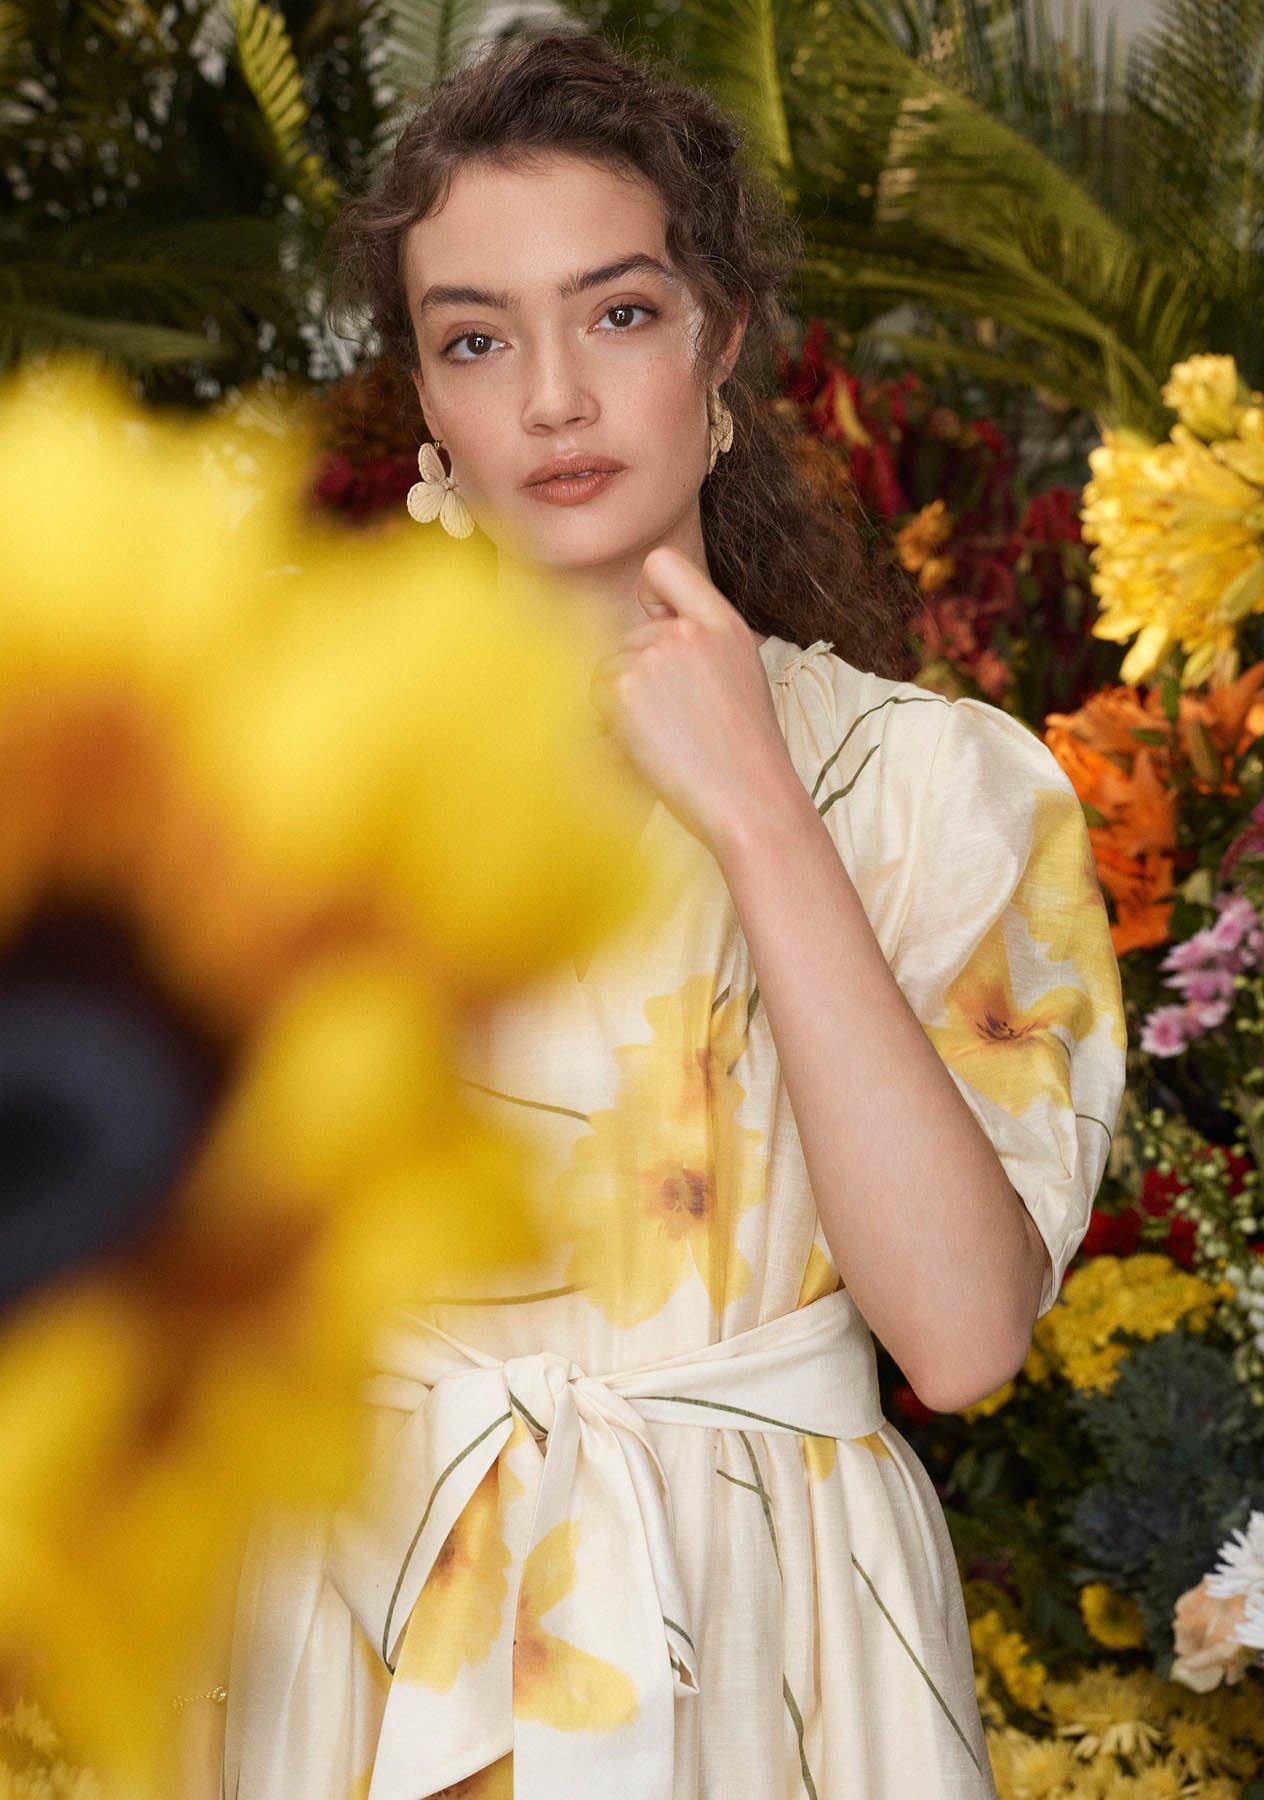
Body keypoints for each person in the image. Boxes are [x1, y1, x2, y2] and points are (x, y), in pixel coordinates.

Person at [216, 26, 1128, 1800]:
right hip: (374, 1629)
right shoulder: (290, 792)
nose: (553, 394)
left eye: (616, 312)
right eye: (477, 337)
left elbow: (956, 1336)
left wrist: (756, 810)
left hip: (782, 1651)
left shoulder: (943, 787)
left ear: (717, 340)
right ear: (428, 402)